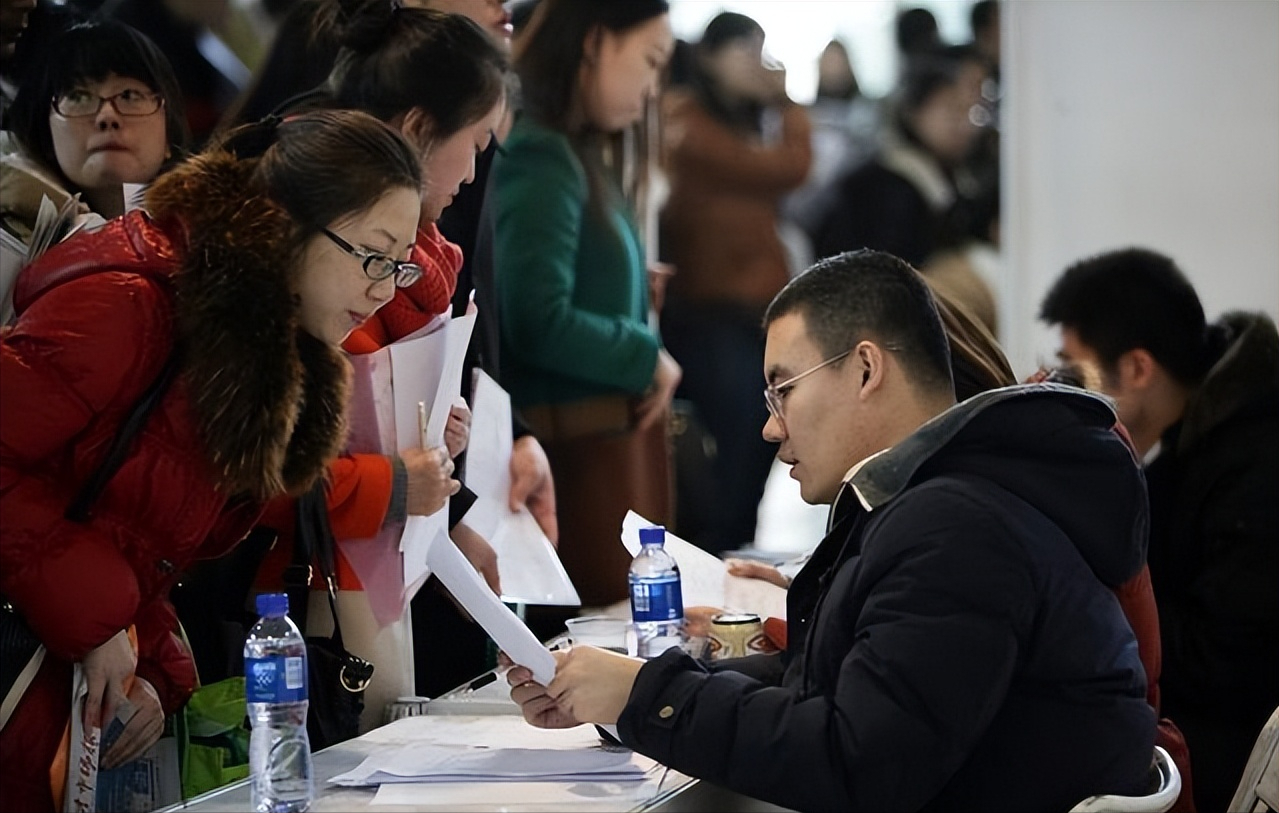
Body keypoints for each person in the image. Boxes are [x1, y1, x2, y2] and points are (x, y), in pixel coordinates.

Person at [506, 249, 1157, 811]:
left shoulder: (956, 528)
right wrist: (630, 693)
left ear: (866, 369)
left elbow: (860, 762)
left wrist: (649, 695)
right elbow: (823, 687)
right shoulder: (941, 503)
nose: (769, 426)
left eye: (782, 389)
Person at [0, 108, 422, 813]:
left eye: (398, 264)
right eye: (373, 256)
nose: (385, 287)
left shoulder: (261, 345)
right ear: (285, 221)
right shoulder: (131, 303)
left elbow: (144, 540)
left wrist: (159, 672)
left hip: (59, 702)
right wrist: (102, 620)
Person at [1040, 247, 1279, 812]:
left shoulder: (1258, 461)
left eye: (1077, 371)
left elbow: (1230, 661)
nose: (1068, 389)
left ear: (1139, 369)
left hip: (1234, 749)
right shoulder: (1194, 439)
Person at [492, 0, 678, 606]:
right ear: (597, 41)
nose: (652, 87)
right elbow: (535, 317)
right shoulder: (543, 152)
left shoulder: (574, 149)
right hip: (577, 460)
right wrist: (644, 351)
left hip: (597, 447)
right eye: (650, 61)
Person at [658, 11, 811, 556]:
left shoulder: (739, 124)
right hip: (707, 312)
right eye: (745, 49)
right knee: (736, 436)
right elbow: (786, 169)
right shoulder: (686, 119)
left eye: (762, 48)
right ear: (708, 56)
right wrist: (788, 103)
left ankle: (734, 549)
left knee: (759, 434)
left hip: (751, 312)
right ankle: (717, 552)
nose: (758, 63)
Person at [1, 18, 188, 323]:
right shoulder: (11, 234)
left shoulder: (211, 245)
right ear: (46, 135)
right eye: (78, 97)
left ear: (169, 132)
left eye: (129, 95)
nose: (106, 117)